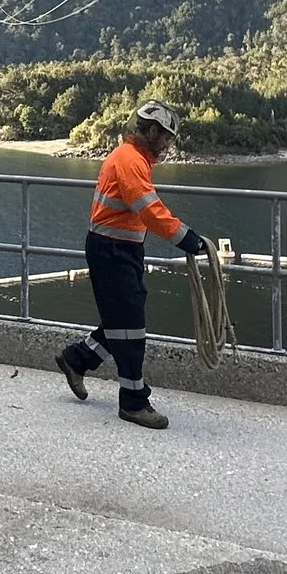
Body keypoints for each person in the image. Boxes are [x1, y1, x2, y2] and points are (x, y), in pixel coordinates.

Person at [57, 99, 206, 431]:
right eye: (166, 136)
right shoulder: (130, 160)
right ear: (152, 131)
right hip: (112, 250)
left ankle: (76, 359)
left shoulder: (133, 158)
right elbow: (148, 208)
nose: (168, 144)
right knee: (130, 326)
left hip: (120, 249)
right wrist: (187, 239)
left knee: (122, 319)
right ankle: (134, 402)